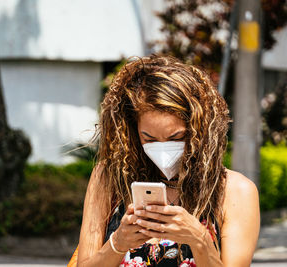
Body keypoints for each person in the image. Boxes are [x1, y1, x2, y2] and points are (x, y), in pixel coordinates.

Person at [69, 55, 260, 267]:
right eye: (149, 139)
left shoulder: (234, 190)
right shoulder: (109, 178)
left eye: (176, 138)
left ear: (200, 131)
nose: (163, 149)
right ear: (133, 134)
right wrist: (118, 243)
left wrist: (199, 239)